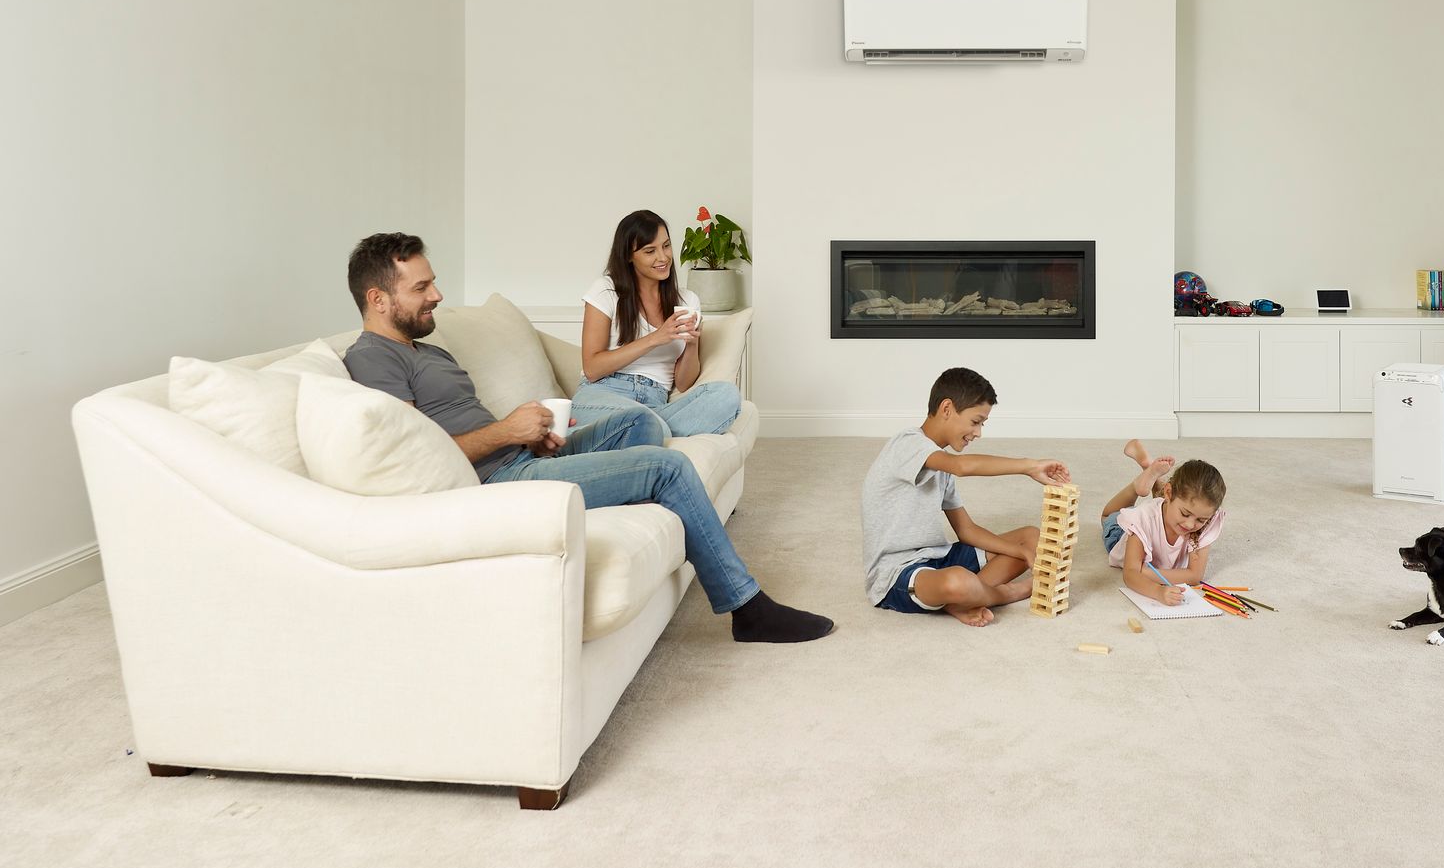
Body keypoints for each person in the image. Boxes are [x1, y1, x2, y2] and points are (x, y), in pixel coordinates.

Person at [340, 232, 832, 644]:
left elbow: (461, 425)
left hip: (522, 453)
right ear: (378, 299)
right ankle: (745, 607)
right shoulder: (374, 358)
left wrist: (531, 434)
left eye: (434, 282)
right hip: (502, 478)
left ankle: (617, 476)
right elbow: (415, 458)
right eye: (422, 286)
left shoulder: (426, 350)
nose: (437, 295)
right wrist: (506, 432)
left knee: (641, 425)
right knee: (667, 466)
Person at [860, 367, 1071, 627]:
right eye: (975, 421)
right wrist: (1029, 466)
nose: (979, 432)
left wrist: (1021, 551)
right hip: (897, 573)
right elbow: (963, 466)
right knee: (958, 580)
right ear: (946, 408)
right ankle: (1000, 594)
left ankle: (965, 599)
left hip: (940, 557)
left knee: (1031, 538)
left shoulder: (941, 468)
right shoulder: (908, 443)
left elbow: (967, 530)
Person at [570, 209, 741, 442]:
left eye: (666, 246)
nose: (663, 258)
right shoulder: (606, 291)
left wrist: (691, 344)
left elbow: (684, 382)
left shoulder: (687, 301)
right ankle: (647, 431)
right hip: (605, 393)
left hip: (655, 401)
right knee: (649, 423)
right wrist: (656, 338)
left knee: (727, 396)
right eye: (650, 251)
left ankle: (637, 433)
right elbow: (592, 368)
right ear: (629, 256)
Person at [1100, 441, 1226, 607]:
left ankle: (1151, 472)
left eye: (1200, 520)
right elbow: (1130, 573)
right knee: (1107, 516)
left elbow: (1195, 576)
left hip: (1163, 510)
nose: (1190, 525)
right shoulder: (1142, 520)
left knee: (1166, 509)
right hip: (1121, 534)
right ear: (1169, 492)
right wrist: (1157, 591)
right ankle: (1137, 485)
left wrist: (1146, 573)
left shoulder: (1206, 520)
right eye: (1185, 513)